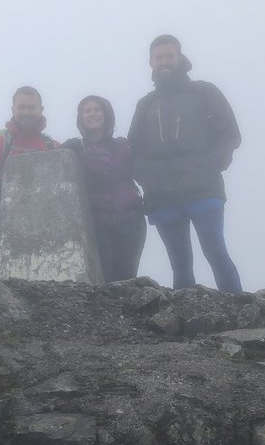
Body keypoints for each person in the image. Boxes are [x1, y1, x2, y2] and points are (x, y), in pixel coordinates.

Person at [128, 35, 243, 292]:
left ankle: (240, 310)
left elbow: (230, 135)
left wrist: (210, 166)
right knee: (179, 263)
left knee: (216, 252)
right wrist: (147, 176)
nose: (164, 61)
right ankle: (185, 316)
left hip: (204, 188)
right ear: (151, 62)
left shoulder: (204, 92)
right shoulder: (146, 104)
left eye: (169, 56)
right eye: (159, 57)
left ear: (179, 58)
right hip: (161, 194)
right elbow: (133, 149)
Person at [0, 86, 60, 274]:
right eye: (21, 107)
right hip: (3, 231)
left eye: (31, 107)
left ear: (41, 110)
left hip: (48, 235)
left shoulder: (53, 147)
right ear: (13, 110)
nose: (26, 112)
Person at [64, 95, 145, 281]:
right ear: (80, 117)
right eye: (87, 111)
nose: (92, 114)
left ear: (106, 114)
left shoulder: (123, 145)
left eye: (97, 110)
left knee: (127, 277)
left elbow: (142, 171)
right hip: (97, 224)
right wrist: (63, 150)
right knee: (104, 277)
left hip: (130, 219)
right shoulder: (75, 148)